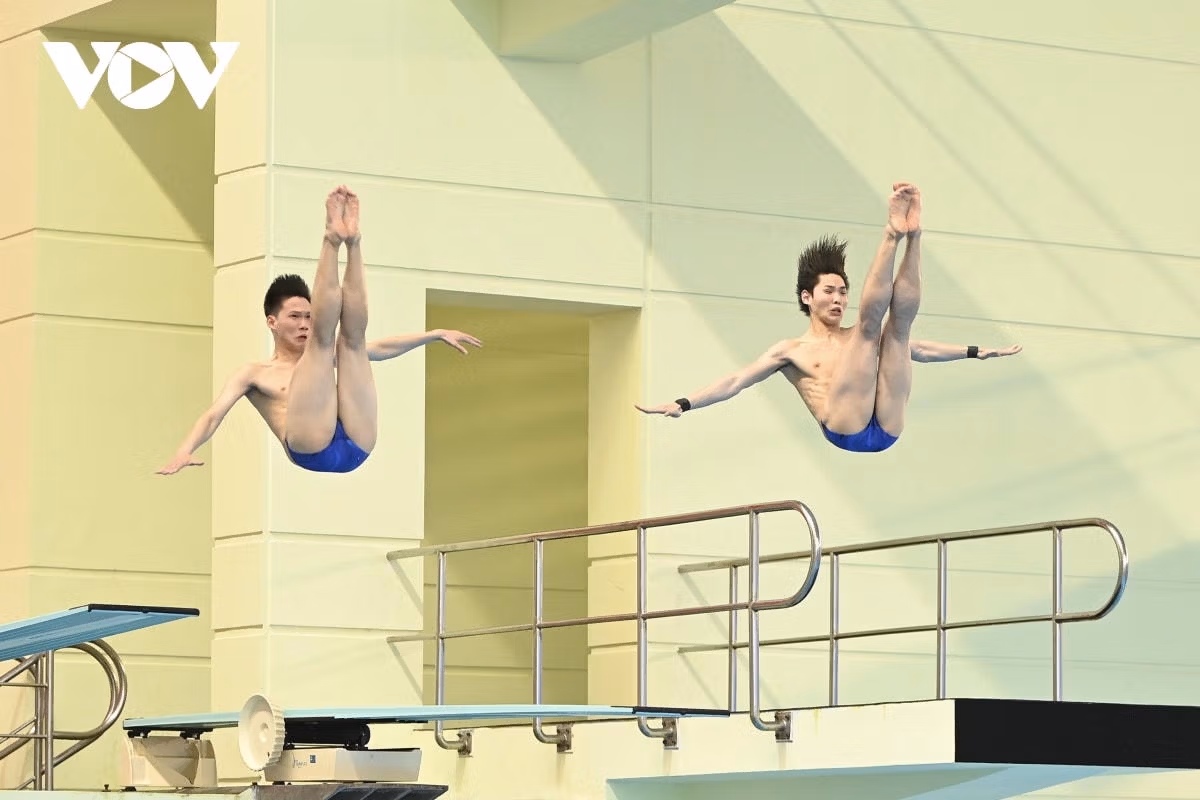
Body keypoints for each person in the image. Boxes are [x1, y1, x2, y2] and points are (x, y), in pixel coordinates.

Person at [635, 182, 1021, 453]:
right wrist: (684, 403)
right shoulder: (792, 350)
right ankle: (892, 234)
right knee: (869, 332)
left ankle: (914, 235)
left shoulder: (856, 338)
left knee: (898, 334)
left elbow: (920, 350)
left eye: (843, 292)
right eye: (829, 291)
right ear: (807, 297)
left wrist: (975, 351)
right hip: (844, 429)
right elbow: (735, 381)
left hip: (887, 429)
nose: (838, 300)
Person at [157, 186, 482, 475]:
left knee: (352, 343)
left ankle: (353, 242)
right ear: (272, 322)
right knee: (322, 344)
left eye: (308, 316)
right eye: (295, 316)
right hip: (310, 448)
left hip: (357, 445)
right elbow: (214, 415)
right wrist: (185, 449)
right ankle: (331, 239)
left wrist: (433, 334)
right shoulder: (254, 374)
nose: (304, 323)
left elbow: (382, 348)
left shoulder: (328, 358)